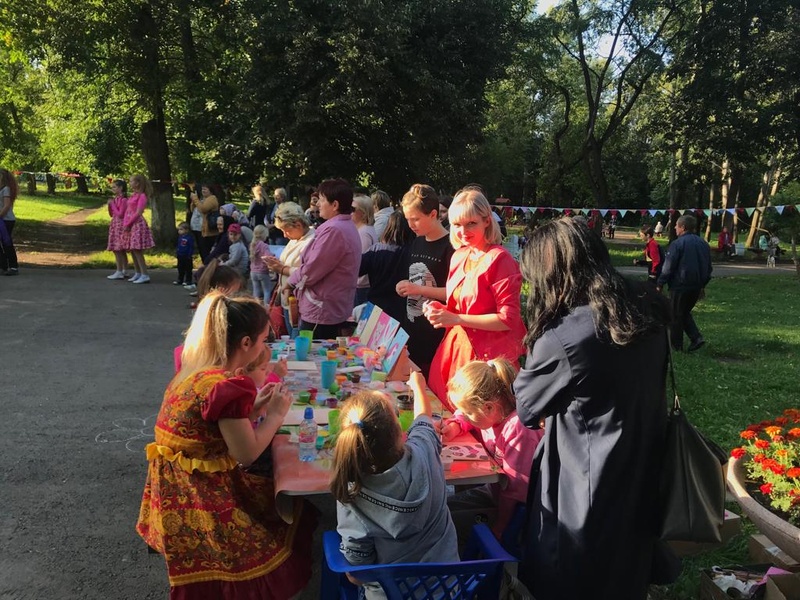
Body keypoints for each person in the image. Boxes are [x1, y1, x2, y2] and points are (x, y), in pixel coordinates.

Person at [514, 217, 675, 600]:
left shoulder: (565, 337)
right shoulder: (646, 305)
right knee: (627, 569)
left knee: (576, 574)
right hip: (643, 463)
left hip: (584, 479)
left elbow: (526, 407)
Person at [138, 292, 316, 599]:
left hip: (172, 490)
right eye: (263, 340)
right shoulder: (228, 386)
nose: (265, 348)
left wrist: (256, 408)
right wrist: (274, 415)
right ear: (246, 343)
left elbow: (210, 428)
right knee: (292, 516)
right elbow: (246, 453)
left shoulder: (195, 373)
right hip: (200, 497)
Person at [331, 379, 459, 598]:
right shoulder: (425, 449)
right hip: (447, 590)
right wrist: (418, 384)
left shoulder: (351, 492)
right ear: (400, 431)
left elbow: (357, 573)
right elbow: (423, 417)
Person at [424, 188, 526, 409]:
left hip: (487, 360)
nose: (463, 231)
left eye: (471, 223)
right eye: (457, 224)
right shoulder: (460, 255)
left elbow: (508, 319)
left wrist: (456, 318)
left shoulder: (500, 259)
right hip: (455, 350)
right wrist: (439, 310)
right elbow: (459, 303)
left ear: (487, 221)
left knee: (478, 420)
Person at [437, 358, 543, 540]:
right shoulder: (493, 414)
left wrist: (499, 529)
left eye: (469, 413)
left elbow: (516, 491)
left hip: (516, 512)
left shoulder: (519, 429)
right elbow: (464, 414)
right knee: (438, 511)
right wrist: (456, 425)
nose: (466, 416)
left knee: (440, 525)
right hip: (495, 493)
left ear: (488, 407)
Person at [285, 179, 362, 339]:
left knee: (313, 358)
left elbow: (312, 270)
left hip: (321, 310)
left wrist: (291, 282)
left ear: (335, 205)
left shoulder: (334, 231)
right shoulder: (343, 227)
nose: (318, 204)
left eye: (321, 199)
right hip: (329, 308)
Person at [395, 184, 453, 378]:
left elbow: (453, 292)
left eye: (416, 219)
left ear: (433, 214)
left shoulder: (450, 247)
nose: (411, 225)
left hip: (434, 334)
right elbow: (412, 277)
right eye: (408, 219)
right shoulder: (417, 242)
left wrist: (416, 288)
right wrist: (403, 286)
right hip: (411, 329)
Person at [657, 214, 712, 352]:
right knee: (684, 312)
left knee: (675, 314)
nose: (674, 227)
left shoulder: (677, 244)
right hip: (697, 285)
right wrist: (703, 285)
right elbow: (709, 266)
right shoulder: (703, 243)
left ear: (682, 227)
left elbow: (668, 266)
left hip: (680, 284)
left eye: (676, 225)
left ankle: (676, 347)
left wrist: (660, 283)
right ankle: (696, 338)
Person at [263, 202, 315, 334]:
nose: (285, 235)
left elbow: (307, 273)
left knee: (296, 338)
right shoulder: (296, 238)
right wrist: (276, 263)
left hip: (300, 303)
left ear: (298, 225)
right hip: (288, 300)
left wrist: (280, 268)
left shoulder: (312, 241)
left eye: (286, 230)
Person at [359, 211, 414, 324]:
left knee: (368, 341)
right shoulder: (413, 252)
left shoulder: (376, 250)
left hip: (375, 307)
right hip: (402, 309)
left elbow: (358, 270)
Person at [124, 174, 155, 284]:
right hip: (130, 224)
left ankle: (144, 274)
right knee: (132, 249)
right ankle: (138, 272)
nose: (130, 183)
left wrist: (129, 223)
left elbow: (138, 212)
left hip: (137, 224)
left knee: (137, 250)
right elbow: (128, 210)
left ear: (137, 183)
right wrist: (126, 223)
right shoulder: (133, 195)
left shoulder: (142, 196)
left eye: (131, 181)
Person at [352, 194, 378, 307]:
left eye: (353, 209)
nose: (349, 211)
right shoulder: (365, 230)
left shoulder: (363, 233)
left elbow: (361, 262)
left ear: (363, 212)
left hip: (362, 286)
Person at [106, 179, 130, 280]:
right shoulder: (116, 199)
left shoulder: (124, 200)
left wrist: (112, 204)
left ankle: (120, 270)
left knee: (119, 249)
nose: (113, 189)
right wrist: (109, 206)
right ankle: (123, 270)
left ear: (121, 188)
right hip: (115, 224)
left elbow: (120, 214)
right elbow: (112, 214)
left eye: (115, 187)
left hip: (120, 225)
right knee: (118, 249)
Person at [190, 184, 220, 263]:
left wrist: (195, 199)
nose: (203, 191)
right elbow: (193, 210)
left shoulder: (212, 199)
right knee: (201, 250)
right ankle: (205, 268)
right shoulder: (203, 199)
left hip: (206, 230)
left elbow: (203, 209)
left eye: (205, 189)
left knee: (205, 251)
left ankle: (208, 269)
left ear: (211, 190)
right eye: (202, 189)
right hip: (197, 229)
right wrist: (194, 202)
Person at [249, 224, 275, 305]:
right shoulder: (264, 246)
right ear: (264, 234)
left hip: (253, 272)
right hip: (263, 272)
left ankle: (255, 306)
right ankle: (266, 307)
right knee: (266, 290)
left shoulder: (252, 244)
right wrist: (273, 255)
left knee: (256, 290)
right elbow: (268, 257)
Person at [0, 168, 19, 276]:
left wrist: (0, 216)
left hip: (6, 220)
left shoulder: (6, 189)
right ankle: (3, 265)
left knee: (6, 243)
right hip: (2, 219)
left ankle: (13, 266)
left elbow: (6, 205)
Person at [174, 222, 194, 286]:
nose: (179, 231)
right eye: (179, 229)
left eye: (181, 229)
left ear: (186, 230)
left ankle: (188, 280)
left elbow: (191, 247)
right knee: (180, 268)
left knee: (188, 269)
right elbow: (178, 245)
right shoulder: (180, 237)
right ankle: (180, 279)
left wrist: (189, 254)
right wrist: (177, 252)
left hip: (187, 255)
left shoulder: (189, 238)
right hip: (180, 255)